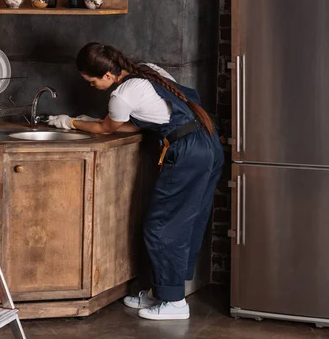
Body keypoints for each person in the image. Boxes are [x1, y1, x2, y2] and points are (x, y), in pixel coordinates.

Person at [48, 43, 224, 321]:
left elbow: (107, 128)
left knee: (163, 225)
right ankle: (163, 292)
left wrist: (70, 123)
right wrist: (89, 121)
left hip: (188, 151)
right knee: (186, 220)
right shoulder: (148, 71)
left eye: (91, 80)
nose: (90, 85)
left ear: (107, 75)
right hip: (208, 141)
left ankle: (175, 303)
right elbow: (140, 121)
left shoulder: (120, 95)